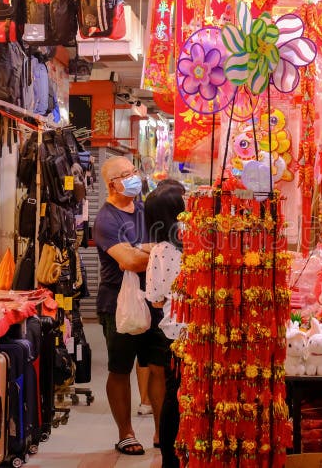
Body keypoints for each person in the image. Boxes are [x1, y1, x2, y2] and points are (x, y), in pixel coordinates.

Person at [94, 156, 157, 456]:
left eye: (134, 172)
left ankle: (161, 429)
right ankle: (126, 433)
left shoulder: (143, 209)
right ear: (112, 185)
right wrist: (155, 254)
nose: (134, 177)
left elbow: (167, 244)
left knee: (157, 367)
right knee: (120, 368)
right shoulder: (106, 220)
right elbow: (129, 260)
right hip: (118, 304)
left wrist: (147, 250)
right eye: (126, 174)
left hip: (152, 298)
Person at [144, 180, 186, 468]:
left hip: (174, 332)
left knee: (175, 394)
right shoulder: (198, 244)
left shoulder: (160, 250)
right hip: (202, 332)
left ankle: (170, 459)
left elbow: (155, 298)